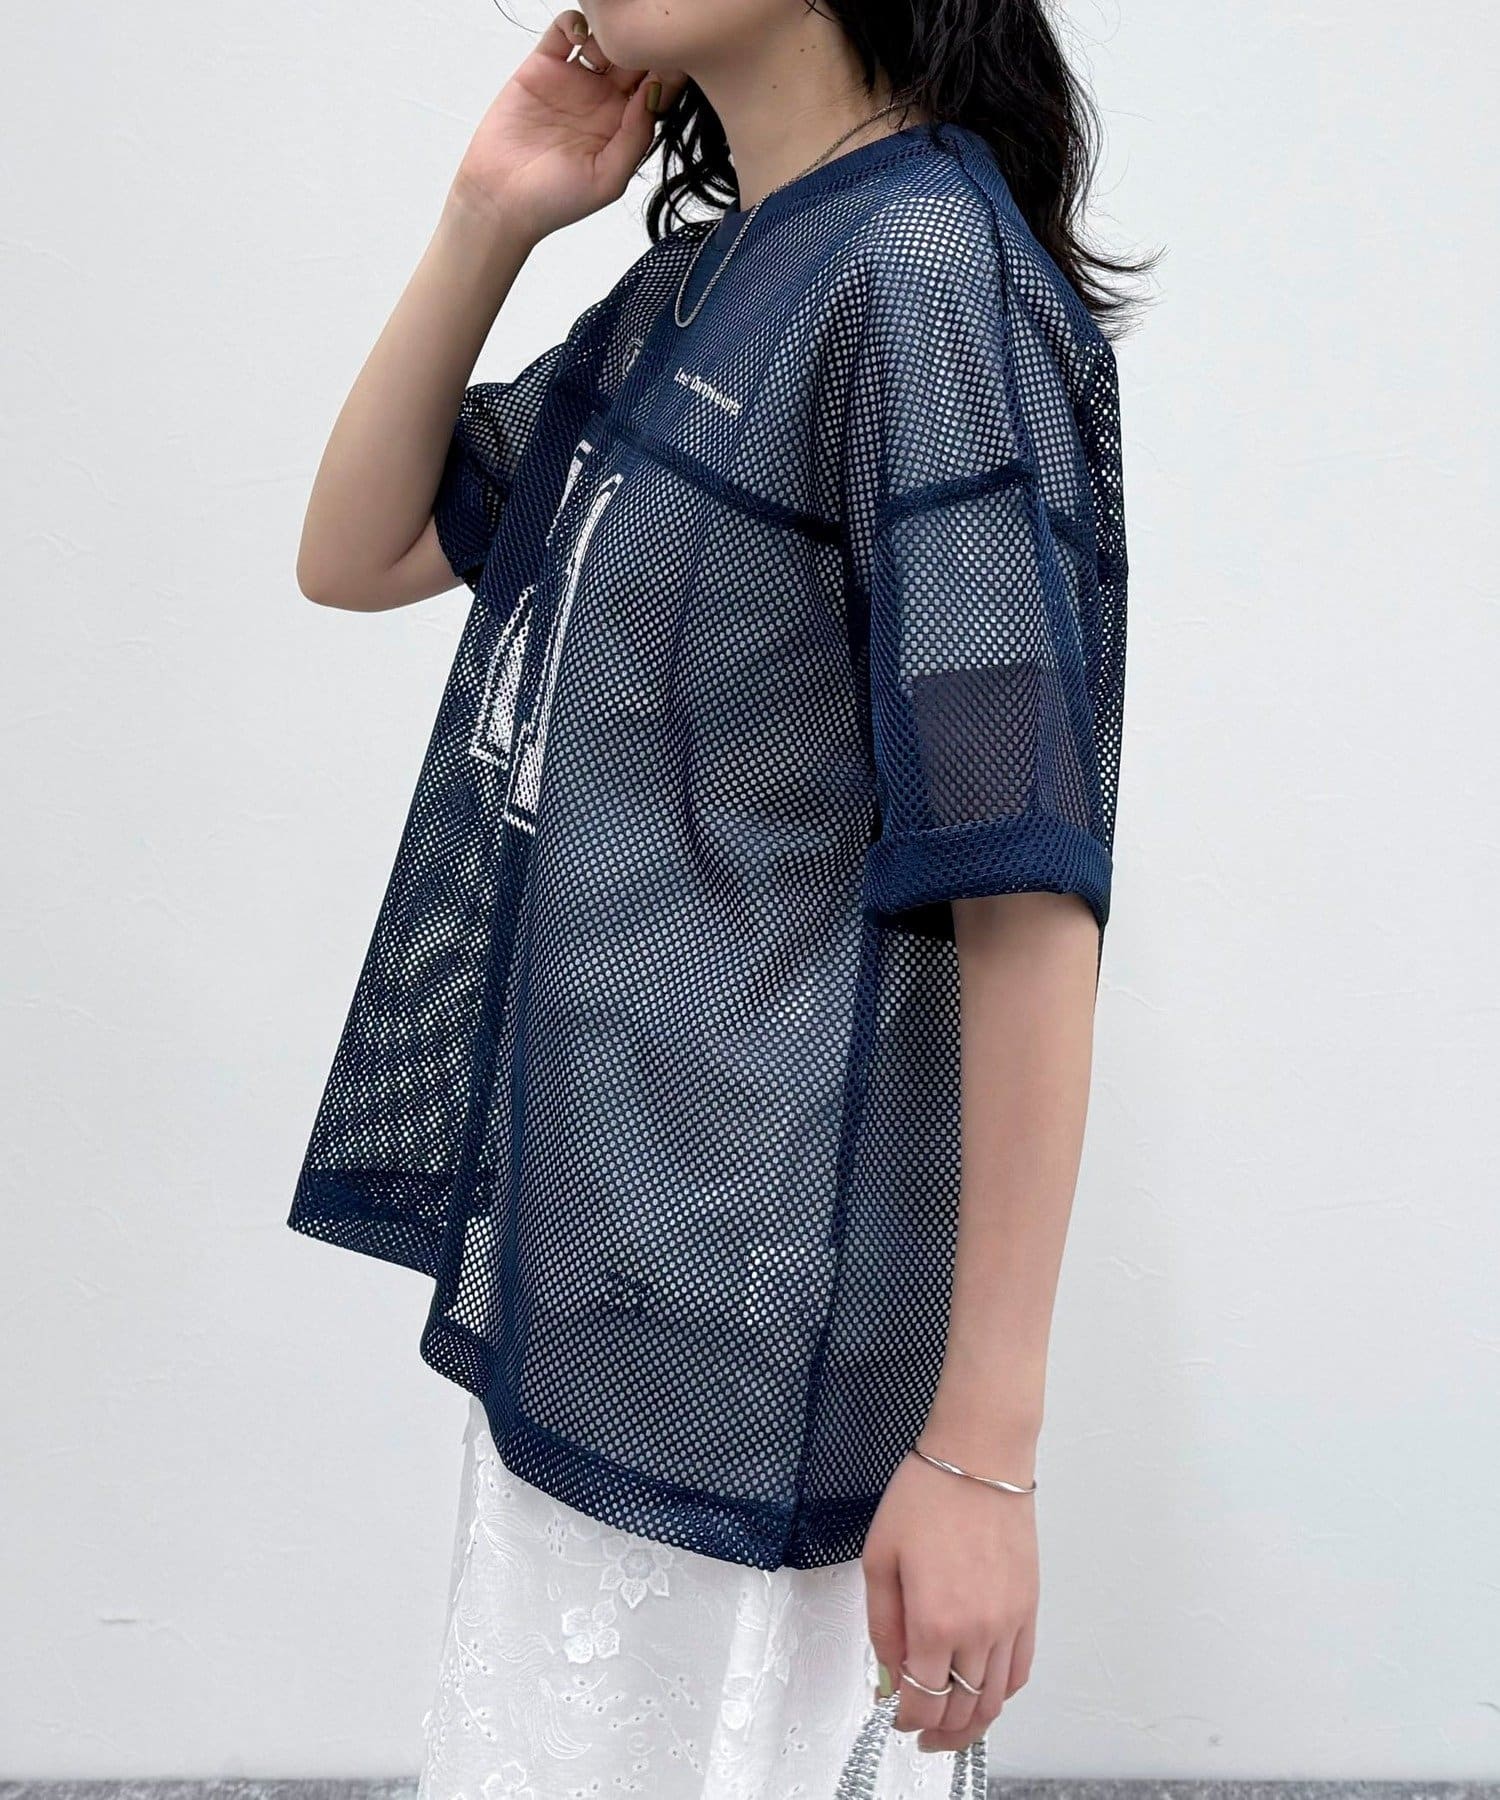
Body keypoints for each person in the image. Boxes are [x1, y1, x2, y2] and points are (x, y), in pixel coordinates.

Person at [287, 2, 1140, 1793]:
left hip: (779, 1360)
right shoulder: (710, 276)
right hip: (610, 1292)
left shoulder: (922, 271)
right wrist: (489, 215)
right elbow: (358, 550)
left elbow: (1026, 891)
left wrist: (983, 1457)